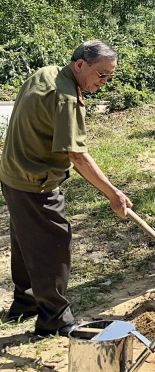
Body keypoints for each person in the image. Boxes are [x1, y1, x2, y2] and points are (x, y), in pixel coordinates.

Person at [0, 41, 132, 336]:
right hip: (35, 181)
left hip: (11, 173)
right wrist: (113, 194)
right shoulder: (66, 97)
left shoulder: (46, 72)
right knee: (54, 245)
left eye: (110, 76)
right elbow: (77, 155)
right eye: (101, 75)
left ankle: (25, 302)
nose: (104, 82)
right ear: (81, 65)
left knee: (26, 238)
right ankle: (54, 319)